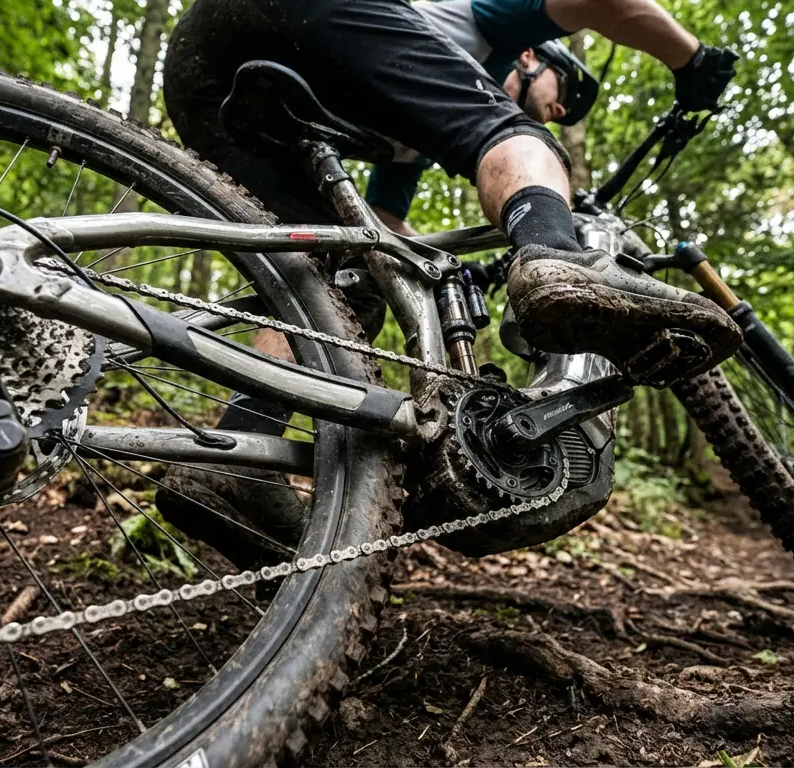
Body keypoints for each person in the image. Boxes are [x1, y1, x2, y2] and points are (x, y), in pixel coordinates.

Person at [154, 0, 742, 568]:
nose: (559, 111)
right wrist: (692, 61)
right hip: (308, 13)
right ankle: (557, 254)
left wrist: (464, 274)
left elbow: (384, 233)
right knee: (515, 138)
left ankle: (235, 455)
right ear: (533, 59)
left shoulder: (403, 139)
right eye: (563, 92)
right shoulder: (490, 24)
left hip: (203, 70)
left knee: (336, 279)